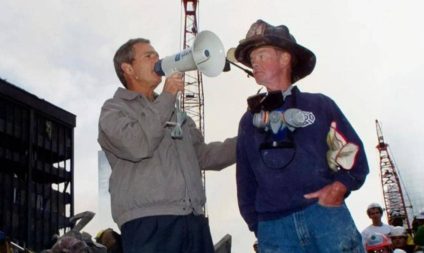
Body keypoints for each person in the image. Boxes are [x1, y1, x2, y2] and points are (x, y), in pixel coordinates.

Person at [235, 19, 369, 252]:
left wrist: (340, 186)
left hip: (325, 218)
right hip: (274, 229)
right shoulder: (248, 121)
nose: (254, 63)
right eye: (252, 59)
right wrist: (258, 224)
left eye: (262, 55)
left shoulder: (319, 105)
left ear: (285, 58)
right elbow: (245, 180)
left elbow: (353, 153)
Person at [97, 38, 237, 253]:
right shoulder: (114, 109)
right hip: (149, 223)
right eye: (148, 55)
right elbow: (136, 146)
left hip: (193, 220)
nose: (157, 59)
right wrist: (167, 96)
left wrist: (247, 140)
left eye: (156, 54)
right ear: (128, 68)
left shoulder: (174, 111)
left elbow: (202, 155)